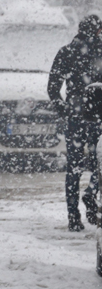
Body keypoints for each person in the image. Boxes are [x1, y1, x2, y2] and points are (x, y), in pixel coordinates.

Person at [48, 14, 102, 232]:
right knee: (99, 163)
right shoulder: (100, 53)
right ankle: (91, 194)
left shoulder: (66, 52)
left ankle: (73, 216)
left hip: (76, 116)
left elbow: (53, 88)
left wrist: (66, 110)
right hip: (99, 116)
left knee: (74, 167)